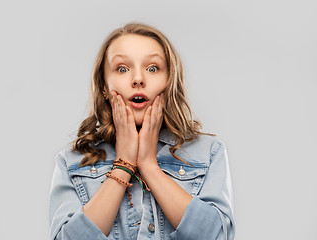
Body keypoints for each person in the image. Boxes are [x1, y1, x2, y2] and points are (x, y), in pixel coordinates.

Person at [49, 22, 235, 240]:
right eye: (122, 69)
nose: (138, 79)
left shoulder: (209, 153)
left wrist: (148, 165)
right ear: (103, 87)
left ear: (169, 81)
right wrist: (123, 165)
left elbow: (217, 236)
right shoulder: (71, 162)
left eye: (152, 68)